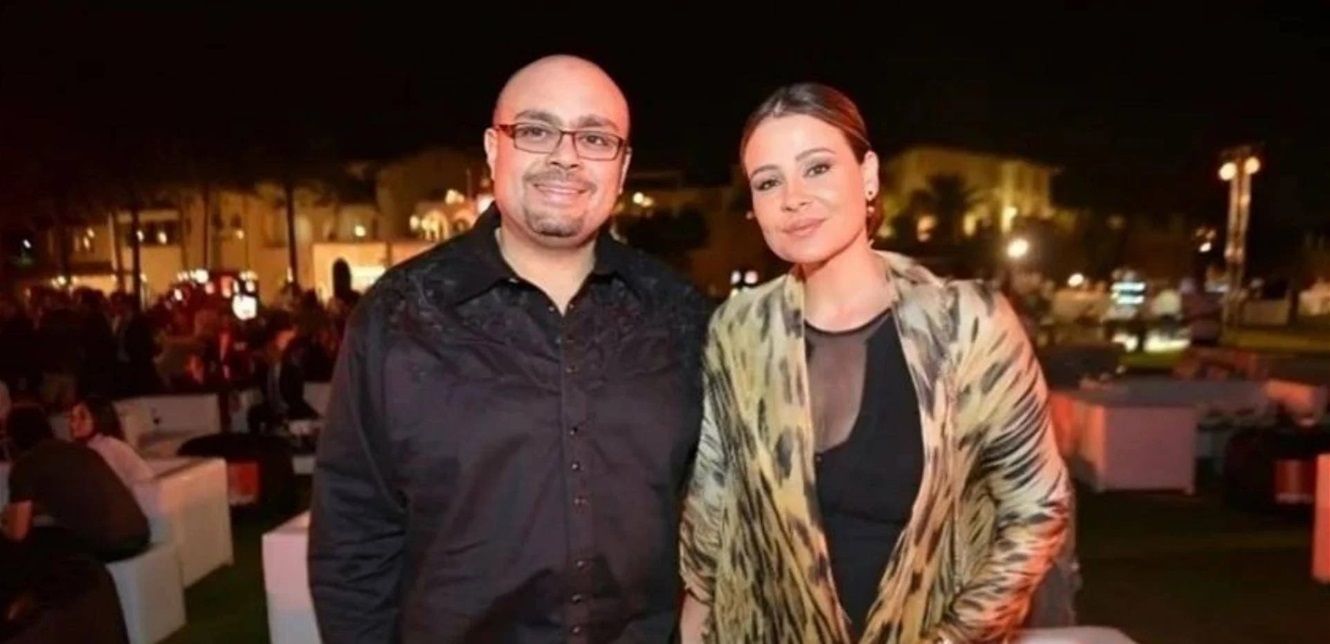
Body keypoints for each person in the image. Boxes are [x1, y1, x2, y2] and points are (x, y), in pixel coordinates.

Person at [308, 55, 710, 643]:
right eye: (537, 130)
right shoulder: (400, 314)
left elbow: (719, 514)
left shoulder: (679, 315)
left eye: (595, 138)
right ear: (494, 149)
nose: (566, 156)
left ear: (622, 168)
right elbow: (353, 535)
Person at [679, 83, 1071, 643]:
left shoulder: (967, 324)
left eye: (817, 168)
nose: (793, 198)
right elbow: (711, 509)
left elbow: (1036, 509)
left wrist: (954, 639)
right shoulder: (738, 331)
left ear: (867, 175)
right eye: (768, 182)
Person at [2, 406, 149, 563]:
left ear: (14, 438)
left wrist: (5, 524)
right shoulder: (82, 451)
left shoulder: (25, 465)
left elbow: (17, 534)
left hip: (108, 545)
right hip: (139, 534)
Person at [67, 395, 155, 489]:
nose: (74, 424)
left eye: (82, 417)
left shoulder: (107, 446)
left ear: (98, 418)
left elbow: (106, 486)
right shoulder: (92, 446)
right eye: (73, 418)